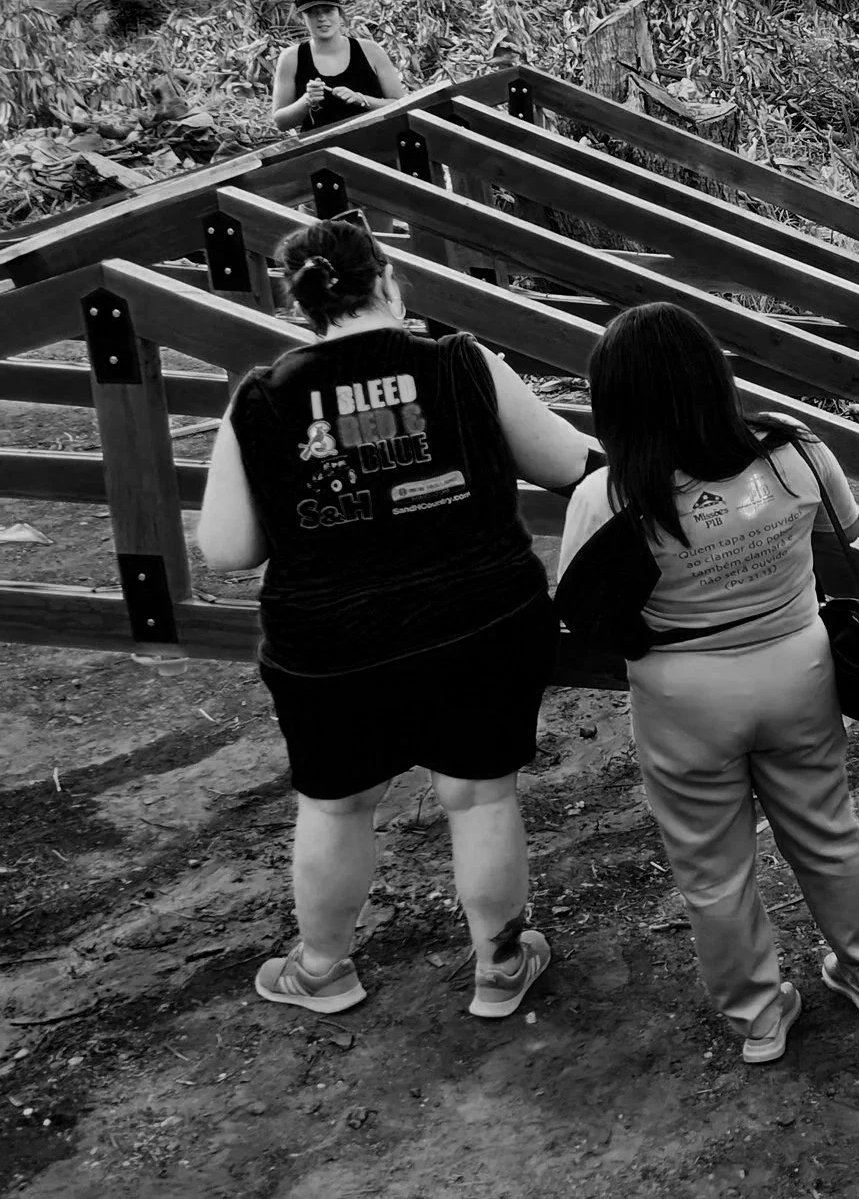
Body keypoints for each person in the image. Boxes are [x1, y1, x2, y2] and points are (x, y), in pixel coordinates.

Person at [197, 211, 601, 1015]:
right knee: (480, 796)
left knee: (336, 804)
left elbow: (227, 548)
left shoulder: (262, 398)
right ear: (387, 280)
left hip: (331, 643)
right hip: (480, 620)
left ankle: (323, 969)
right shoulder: (461, 362)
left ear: (298, 305)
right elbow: (569, 465)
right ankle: (500, 968)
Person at [555, 302, 859, 1066]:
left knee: (712, 866)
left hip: (684, 694)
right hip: (797, 668)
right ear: (716, 376)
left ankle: (760, 1019)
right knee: (827, 826)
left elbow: (582, 609)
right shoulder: (794, 451)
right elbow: (846, 529)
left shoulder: (609, 496)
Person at [270, 0, 408, 134]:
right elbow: (280, 122)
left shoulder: (371, 51)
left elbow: (401, 105)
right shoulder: (291, 58)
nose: (322, 18)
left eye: (328, 11)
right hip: (321, 146)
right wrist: (306, 101)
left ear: (340, 13)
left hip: (375, 141)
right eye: (312, 13)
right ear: (301, 18)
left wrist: (362, 99)